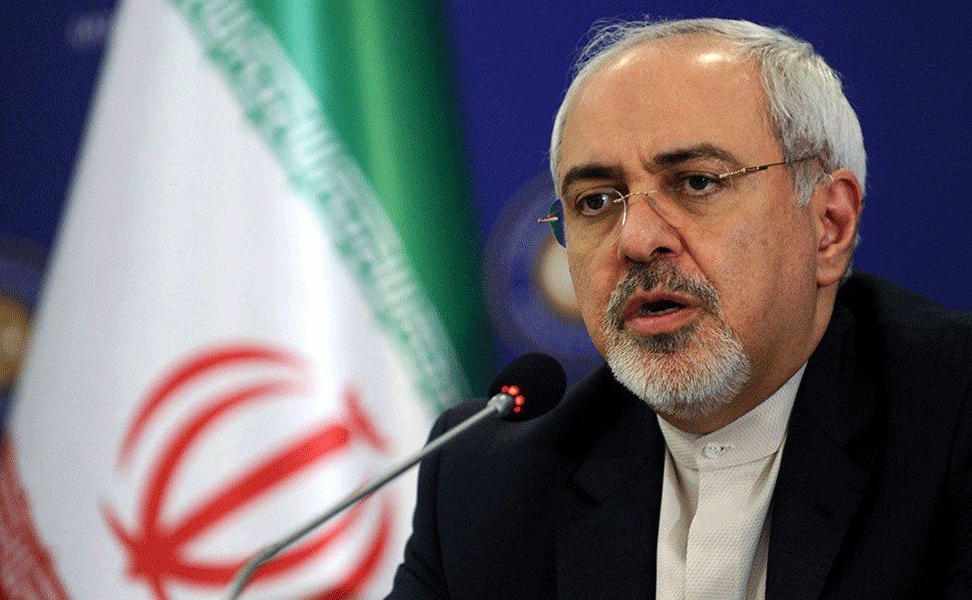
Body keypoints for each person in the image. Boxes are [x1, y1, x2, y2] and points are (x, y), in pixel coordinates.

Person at [388, 18, 972, 599]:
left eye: (697, 183)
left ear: (829, 225)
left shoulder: (953, 419)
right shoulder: (488, 485)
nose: (637, 240)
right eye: (595, 201)